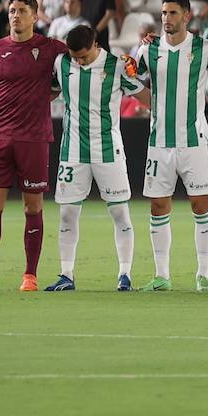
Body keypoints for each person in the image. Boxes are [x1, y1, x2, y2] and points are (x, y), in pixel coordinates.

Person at [0, 0, 70, 292]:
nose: (15, 16)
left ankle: (30, 276)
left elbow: (84, 57)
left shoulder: (50, 48)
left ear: (35, 16)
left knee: (32, 207)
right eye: (11, 11)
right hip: (0, 138)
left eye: (22, 11)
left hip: (34, 139)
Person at [131, 0, 208, 293]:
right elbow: (132, 82)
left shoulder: (204, 48)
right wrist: (156, 106)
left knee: (201, 205)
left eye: (173, 12)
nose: (166, 18)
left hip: (193, 140)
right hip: (159, 141)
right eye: (163, 13)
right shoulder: (148, 51)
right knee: (158, 206)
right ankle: (162, 275)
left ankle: (203, 274)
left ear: (186, 16)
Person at [44, 24, 145, 292]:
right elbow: (50, 92)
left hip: (108, 150)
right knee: (67, 214)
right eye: (75, 57)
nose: (78, 61)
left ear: (96, 45)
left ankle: (125, 274)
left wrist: (140, 74)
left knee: (119, 212)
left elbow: (146, 96)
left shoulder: (117, 66)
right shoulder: (61, 64)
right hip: (73, 151)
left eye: (83, 57)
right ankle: (66, 275)